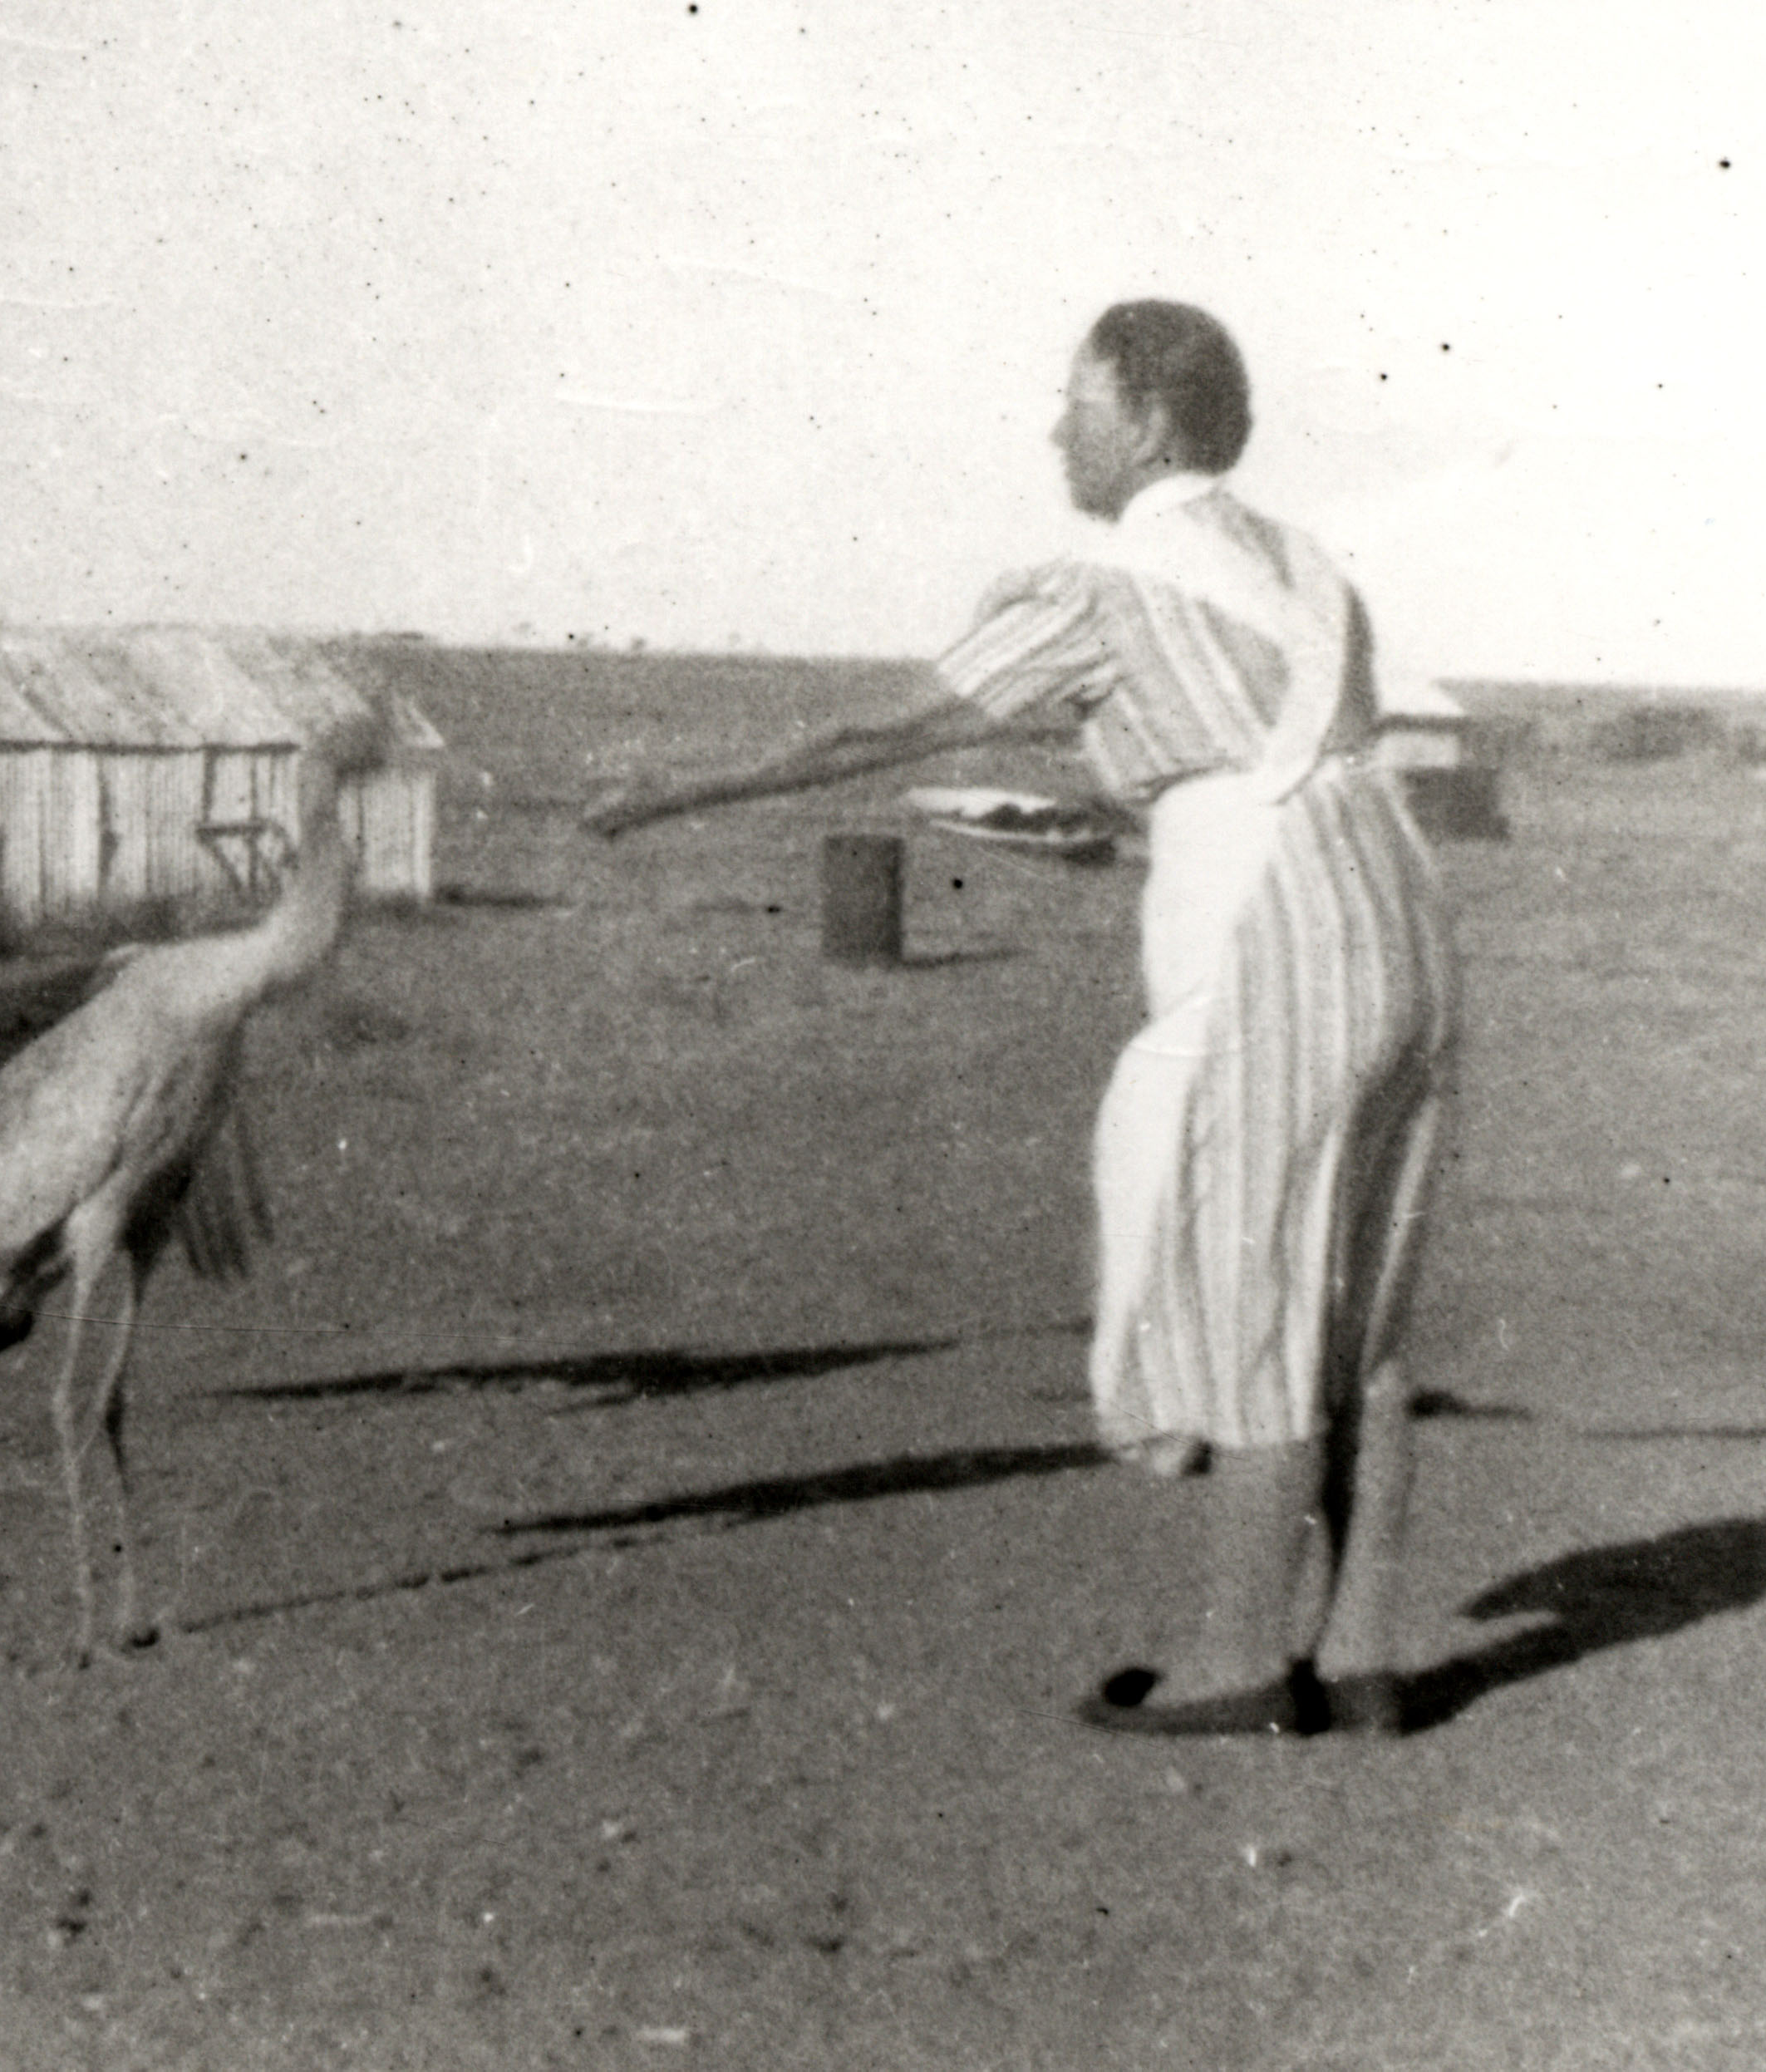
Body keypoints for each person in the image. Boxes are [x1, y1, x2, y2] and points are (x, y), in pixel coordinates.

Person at [583, 301, 1459, 1738]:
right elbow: (1258, 748)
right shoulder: (1312, 569)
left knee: (1247, 1279)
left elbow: (889, 729)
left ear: (1155, 420)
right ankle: (1361, 1653)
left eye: (1079, 402)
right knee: (1363, 1297)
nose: (1058, 428)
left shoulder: (1098, 584)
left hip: (1267, 927)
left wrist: (679, 786)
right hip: (1401, 911)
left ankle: (1236, 1661)